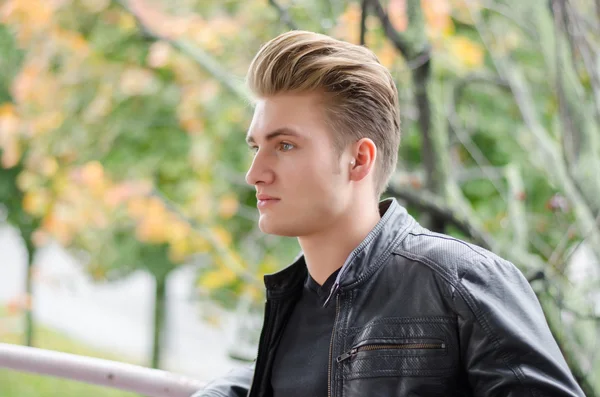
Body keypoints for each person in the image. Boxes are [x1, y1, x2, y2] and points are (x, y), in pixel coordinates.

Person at [191, 30, 584, 397]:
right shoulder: (290, 305)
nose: (255, 173)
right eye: (255, 147)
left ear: (358, 160)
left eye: (286, 146)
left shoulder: (461, 280)